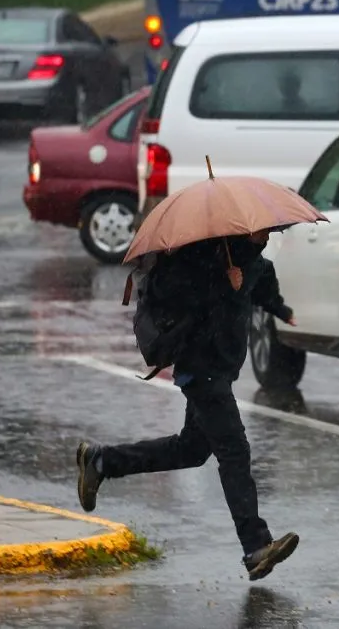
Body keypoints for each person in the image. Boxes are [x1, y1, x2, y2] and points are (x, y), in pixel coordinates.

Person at [76, 230, 300, 581]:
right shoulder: (204, 258)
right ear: (242, 229)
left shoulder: (255, 262)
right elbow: (175, 294)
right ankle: (256, 546)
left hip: (222, 370)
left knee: (192, 450)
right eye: (260, 232)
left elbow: (266, 286)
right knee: (234, 451)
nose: (265, 236)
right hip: (200, 367)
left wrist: (282, 310)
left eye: (270, 231)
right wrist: (224, 284)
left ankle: (102, 461)